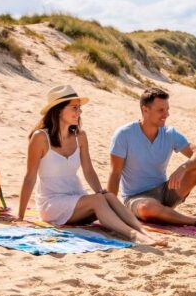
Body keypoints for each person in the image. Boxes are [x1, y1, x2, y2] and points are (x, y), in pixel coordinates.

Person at [18, 85, 161, 246]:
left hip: (77, 198)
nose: (79, 112)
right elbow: (29, 177)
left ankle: (143, 231)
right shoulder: (40, 138)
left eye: (79, 108)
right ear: (58, 110)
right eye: (74, 108)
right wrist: (20, 216)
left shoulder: (80, 136)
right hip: (52, 203)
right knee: (97, 201)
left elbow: (88, 170)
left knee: (107, 196)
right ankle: (133, 235)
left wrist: (101, 192)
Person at [108, 88, 196, 235]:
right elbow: (115, 173)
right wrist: (111, 209)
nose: (167, 114)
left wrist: (183, 167)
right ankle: (194, 221)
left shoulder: (169, 133)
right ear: (145, 110)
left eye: (167, 109)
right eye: (161, 110)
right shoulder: (124, 134)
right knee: (147, 207)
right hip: (136, 199)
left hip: (165, 191)